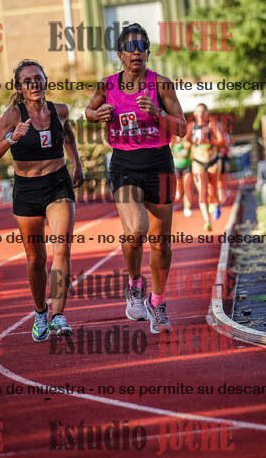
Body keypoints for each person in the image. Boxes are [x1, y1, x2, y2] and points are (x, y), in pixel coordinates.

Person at [85, 23, 186, 334]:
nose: (136, 52)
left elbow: (181, 128)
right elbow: (88, 111)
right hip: (125, 164)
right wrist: (96, 115)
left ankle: (157, 302)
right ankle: (133, 284)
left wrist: (157, 113)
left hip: (159, 163)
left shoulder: (162, 85)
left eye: (142, 46)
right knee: (137, 229)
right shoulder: (107, 86)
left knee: (161, 243)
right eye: (130, 47)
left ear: (148, 52)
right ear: (120, 54)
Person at [0, 60, 84, 342]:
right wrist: (12, 138)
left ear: (45, 80)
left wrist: (77, 164)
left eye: (38, 78)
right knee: (36, 258)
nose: (34, 84)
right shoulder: (12, 115)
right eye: (27, 81)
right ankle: (41, 311)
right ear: (20, 87)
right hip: (27, 189)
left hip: (58, 184)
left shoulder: (60, 110)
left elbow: (68, 136)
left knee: (62, 249)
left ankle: (59, 315)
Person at [185, 103, 222, 231]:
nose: (199, 115)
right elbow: (186, 142)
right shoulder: (191, 126)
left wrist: (209, 141)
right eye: (197, 112)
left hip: (212, 160)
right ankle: (207, 220)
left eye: (202, 112)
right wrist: (190, 144)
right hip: (198, 161)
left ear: (207, 114)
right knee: (202, 191)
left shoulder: (212, 125)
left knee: (213, 189)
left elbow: (221, 140)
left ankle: (216, 203)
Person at [170, 134, 193, 216]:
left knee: (187, 186)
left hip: (187, 165)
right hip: (176, 166)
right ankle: (178, 192)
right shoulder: (173, 138)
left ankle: (187, 208)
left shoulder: (188, 138)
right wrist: (178, 155)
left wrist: (189, 146)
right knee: (179, 187)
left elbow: (193, 148)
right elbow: (169, 152)